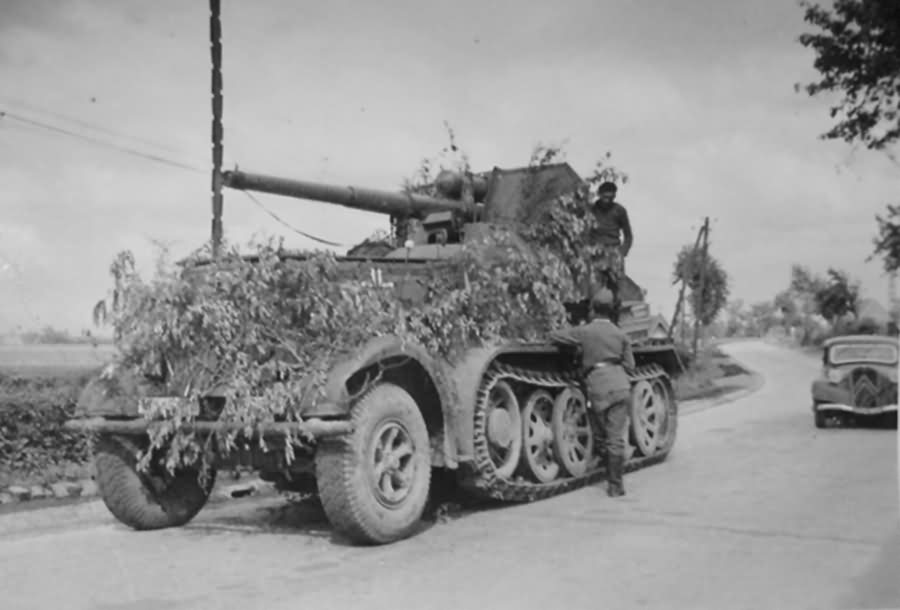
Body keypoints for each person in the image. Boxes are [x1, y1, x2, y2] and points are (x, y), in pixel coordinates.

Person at [549, 287, 635, 497]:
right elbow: (630, 366)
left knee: (601, 435)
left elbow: (557, 336)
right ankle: (616, 486)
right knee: (616, 437)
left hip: (598, 389)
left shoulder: (585, 332)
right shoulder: (621, 335)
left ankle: (603, 469)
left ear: (593, 310)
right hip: (621, 387)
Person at [587, 181, 633, 303]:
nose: (607, 200)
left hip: (614, 251)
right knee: (594, 288)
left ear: (614, 196)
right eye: (605, 197)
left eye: (610, 197)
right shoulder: (591, 210)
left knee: (618, 288)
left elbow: (628, 236)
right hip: (596, 252)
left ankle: (618, 315)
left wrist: (622, 252)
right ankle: (595, 314)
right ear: (599, 195)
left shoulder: (620, 211)